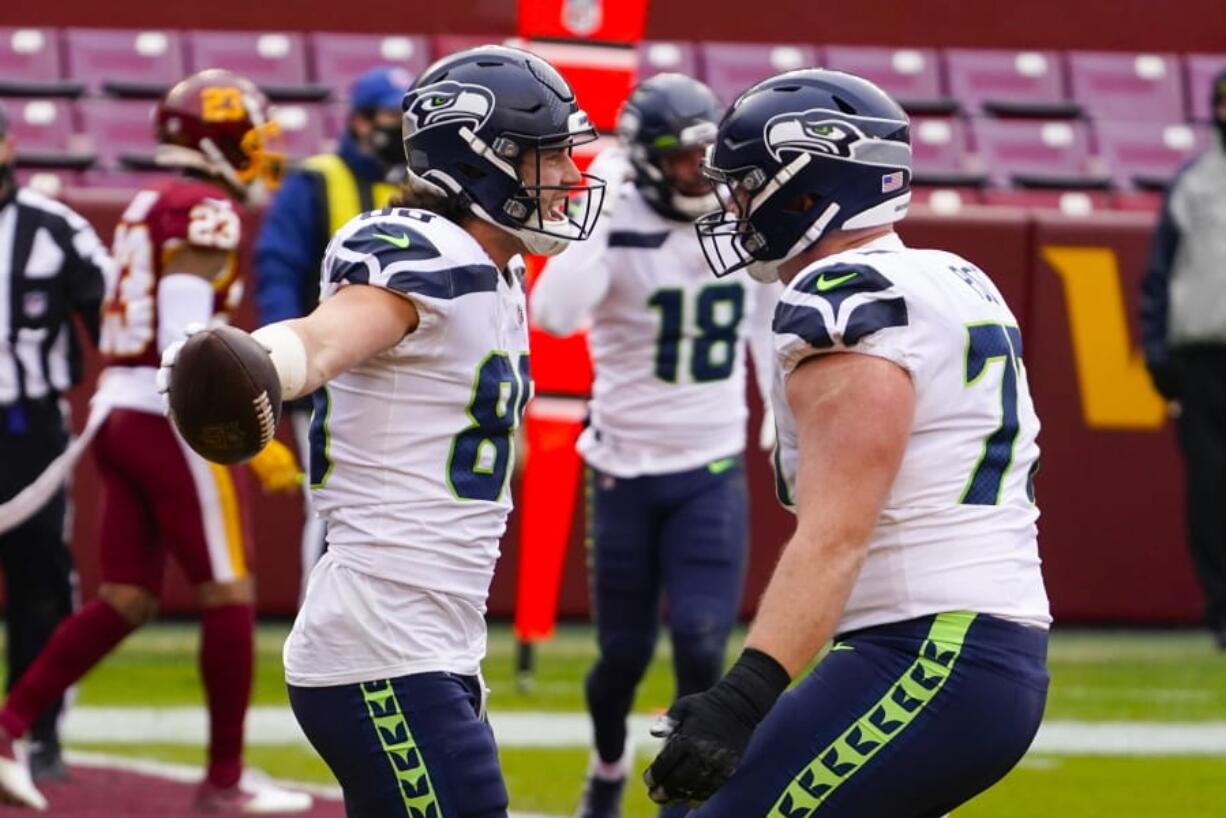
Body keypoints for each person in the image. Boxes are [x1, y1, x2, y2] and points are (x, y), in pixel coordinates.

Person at [163, 45, 604, 818]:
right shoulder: (425, 247)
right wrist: (269, 361)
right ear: (484, 161)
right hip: (382, 642)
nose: (570, 177)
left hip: (432, 639)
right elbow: (332, 333)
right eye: (547, 158)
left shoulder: (497, 272)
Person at [642, 68, 1051, 818]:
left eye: (748, 185)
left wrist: (744, 696)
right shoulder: (952, 276)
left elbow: (836, 535)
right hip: (966, 645)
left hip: (933, 646)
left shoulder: (844, 295)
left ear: (807, 188)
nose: (734, 205)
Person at [0, 69, 309, 812]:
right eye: (251, 135)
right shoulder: (204, 209)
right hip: (173, 418)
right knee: (229, 591)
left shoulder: (151, 202)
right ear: (219, 137)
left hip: (120, 412)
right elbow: (186, 336)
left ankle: (7, 728)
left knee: (127, 598)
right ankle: (226, 780)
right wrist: (245, 432)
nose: (261, 151)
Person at [531, 73, 775, 818]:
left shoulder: (736, 218)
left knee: (704, 645)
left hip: (709, 462)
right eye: (680, 159)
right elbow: (553, 312)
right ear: (642, 160)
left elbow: (768, 316)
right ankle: (607, 766)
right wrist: (598, 205)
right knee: (624, 657)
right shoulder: (618, 211)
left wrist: (779, 419)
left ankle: (679, 793)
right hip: (623, 467)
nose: (696, 174)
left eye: (705, 158)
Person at [255, 66, 411, 588]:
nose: (398, 129)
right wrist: (286, 360)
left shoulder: (415, 184)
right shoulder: (318, 178)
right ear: (361, 122)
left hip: (398, 374)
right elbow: (279, 267)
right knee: (332, 507)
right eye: (390, 118)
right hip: (328, 372)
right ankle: (315, 631)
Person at [0, 102, 113, 782]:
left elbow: (115, 319)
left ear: (9, 147)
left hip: (27, 426)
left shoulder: (56, 229)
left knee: (41, 580)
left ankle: (36, 728)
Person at [1141, 68, 1226, 650]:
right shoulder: (1194, 183)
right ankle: (1223, 610)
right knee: (1212, 487)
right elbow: (1158, 277)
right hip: (1205, 360)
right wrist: (1157, 354)